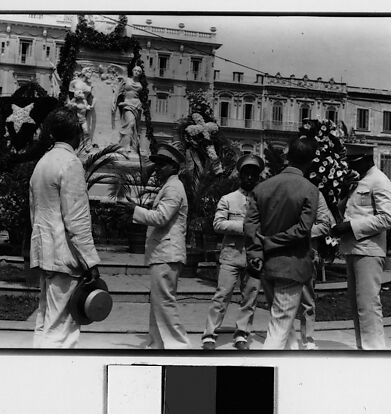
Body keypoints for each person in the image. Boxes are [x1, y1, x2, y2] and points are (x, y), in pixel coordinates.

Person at [29, 107, 101, 348]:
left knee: (45, 322)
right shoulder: (71, 163)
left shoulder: (42, 162)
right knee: (62, 331)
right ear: (77, 135)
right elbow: (76, 220)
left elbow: (34, 212)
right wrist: (90, 261)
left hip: (45, 253)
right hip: (66, 258)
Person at [245, 137, 319, 349]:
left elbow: (250, 226)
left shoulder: (262, 188)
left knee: (284, 326)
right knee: (279, 329)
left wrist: (257, 253)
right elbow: (303, 229)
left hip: (266, 266)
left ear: (288, 157)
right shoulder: (309, 189)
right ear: (311, 161)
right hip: (291, 265)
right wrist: (272, 242)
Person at [118, 142, 191, 349]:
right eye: (157, 164)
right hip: (164, 253)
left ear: (174, 167)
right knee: (159, 303)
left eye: (162, 165)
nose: (157, 169)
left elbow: (161, 217)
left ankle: (179, 345)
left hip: (167, 253)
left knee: (165, 303)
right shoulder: (170, 187)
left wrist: (135, 210)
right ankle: (157, 344)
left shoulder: (174, 188)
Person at [331, 144, 391, 350]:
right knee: (358, 305)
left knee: (368, 304)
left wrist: (350, 226)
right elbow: (347, 210)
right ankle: (363, 348)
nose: (349, 166)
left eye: (352, 162)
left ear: (366, 160)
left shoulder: (380, 182)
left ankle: (374, 351)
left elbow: (387, 219)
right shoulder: (359, 181)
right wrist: (343, 191)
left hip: (369, 250)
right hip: (355, 249)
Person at [201, 154, 265, 351]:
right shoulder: (228, 199)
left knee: (250, 297)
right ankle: (209, 335)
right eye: (246, 173)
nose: (250, 178)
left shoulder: (263, 201)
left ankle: (242, 334)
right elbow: (218, 224)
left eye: (254, 174)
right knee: (222, 295)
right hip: (231, 255)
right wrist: (246, 227)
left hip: (254, 256)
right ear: (240, 175)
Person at [295, 191, 334, 350]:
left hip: (308, 250)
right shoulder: (284, 188)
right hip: (285, 250)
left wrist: (299, 234)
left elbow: (325, 223)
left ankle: (308, 338)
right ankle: (285, 336)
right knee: (284, 298)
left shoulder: (316, 194)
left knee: (307, 298)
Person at [113, 65, 143, 152]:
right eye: (135, 70)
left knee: (133, 126)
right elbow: (118, 90)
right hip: (127, 103)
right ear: (132, 71)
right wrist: (115, 101)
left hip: (136, 105)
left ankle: (131, 145)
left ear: (140, 74)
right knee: (130, 123)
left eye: (138, 71)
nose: (136, 72)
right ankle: (124, 145)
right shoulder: (126, 80)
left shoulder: (140, 85)